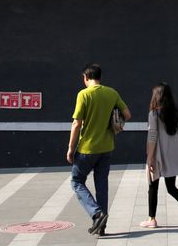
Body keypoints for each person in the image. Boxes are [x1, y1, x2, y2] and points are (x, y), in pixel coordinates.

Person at [67, 63, 131, 236]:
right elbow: (127, 114)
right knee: (101, 185)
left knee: (77, 181)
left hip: (87, 148)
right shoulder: (112, 93)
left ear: (86, 77)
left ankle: (96, 213)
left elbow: (76, 123)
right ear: (100, 77)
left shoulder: (84, 94)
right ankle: (101, 227)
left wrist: (71, 148)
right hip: (107, 147)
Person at [140, 82, 178, 231]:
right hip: (172, 155)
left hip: (158, 156)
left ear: (156, 96)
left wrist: (150, 157)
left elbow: (152, 136)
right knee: (171, 188)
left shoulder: (154, 113)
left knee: (152, 186)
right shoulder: (175, 114)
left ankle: (151, 219)